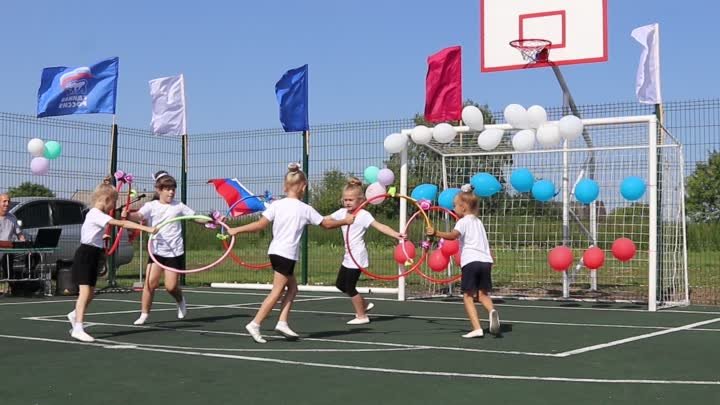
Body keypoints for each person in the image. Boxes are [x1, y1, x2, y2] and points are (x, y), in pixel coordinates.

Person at [228, 163, 354, 344]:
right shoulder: (304, 208)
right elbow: (326, 225)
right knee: (277, 291)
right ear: (303, 187)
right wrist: (346, 221)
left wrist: (237, 230)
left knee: (293, 289)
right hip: (286, 255)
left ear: (285, 186)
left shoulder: (277, 205)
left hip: (275, 252)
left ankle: (282, 322)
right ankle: (255, 323)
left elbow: (259, 225)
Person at [67, 178, 155, 342]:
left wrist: (103, 237)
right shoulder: (95, 214)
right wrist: (145, 228)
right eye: (113, 202)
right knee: (85, 292)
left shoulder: (96, 215)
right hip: (85, 255)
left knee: (91, 292)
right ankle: (77, 328)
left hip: (93, 253)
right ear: (106, 200)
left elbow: (92, 233)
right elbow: (120, 223)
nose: (113, 207)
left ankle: (74, 315)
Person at [426, 184, 500, 338]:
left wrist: (436, 232)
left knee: (468, 296)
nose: (453, 208)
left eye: (455, 206)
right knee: (483, 294)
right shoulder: (478, 223)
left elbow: (453, 236)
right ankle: (492, 310)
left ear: (464, 207)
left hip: (471, 261)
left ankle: (477, 328)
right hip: (485, 261)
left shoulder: (463, 221)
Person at [125, 171, 196, 325]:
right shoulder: (151, 206)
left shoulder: (179, 206)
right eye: (167, 189)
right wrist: (127, 215)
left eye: (173, 189)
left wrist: (213, 221)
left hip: (174, 251)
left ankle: (180, 300)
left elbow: (195, 217)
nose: (171, 192)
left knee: (171, 286)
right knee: (150, 283)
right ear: (159, 189)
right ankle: (144, 314)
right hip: (156, 251)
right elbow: (138, 216)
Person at [330, 177, 403, 325]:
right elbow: (324, 220)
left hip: (357, 256)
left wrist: (396, 234)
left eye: (351, 200)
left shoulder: (363, 215)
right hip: (347, 256)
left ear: (360, 200)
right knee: (340, 285)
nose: (348, 202)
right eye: (345, 200)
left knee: (350, 287)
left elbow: (380, 226)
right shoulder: (341, 213)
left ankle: (362, 316)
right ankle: (364, 304)